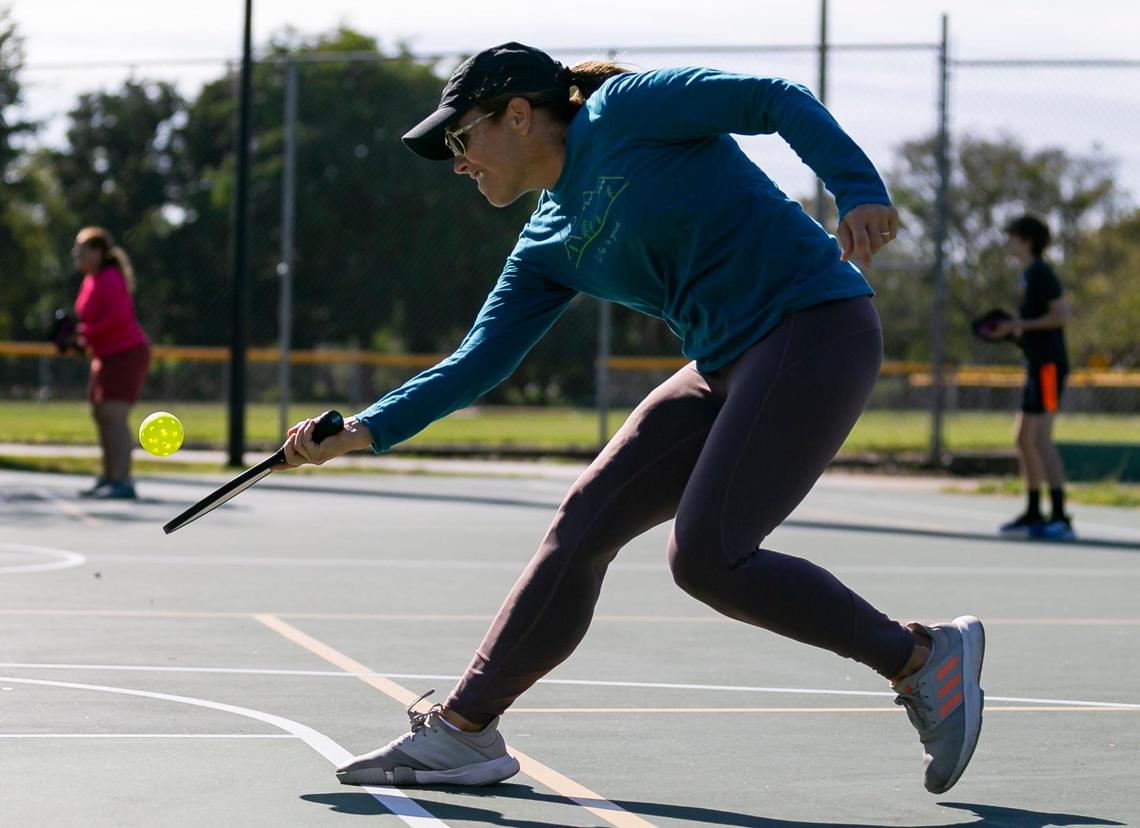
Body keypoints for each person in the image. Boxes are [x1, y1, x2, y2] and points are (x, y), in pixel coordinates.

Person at [282, 43, 985, 794]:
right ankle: (464, 733)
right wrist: (364, 428)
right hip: (723, 364)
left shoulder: (630, 110)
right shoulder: (546, 242)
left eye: (461, 139)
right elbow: (477, 361)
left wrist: (856, 188)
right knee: (583, 523)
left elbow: (777, 98)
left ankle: (919, 658)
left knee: (708, 556)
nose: (458, 162)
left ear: (518, 115)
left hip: (814, 327)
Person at [987, 215, 1074, 540]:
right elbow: (1037, 322)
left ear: (1026, 240)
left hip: (1050, 368)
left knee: (1040, 439)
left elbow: (1060, 315)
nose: (1007, 241)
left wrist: (1016, 326)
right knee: (1023, 439)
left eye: (1011, 236)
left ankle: (1061, 516)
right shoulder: (1027, 275)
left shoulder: (1041, 272)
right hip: (1036, 365)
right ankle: (1034, 511)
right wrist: (1010, 331)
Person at [70, 226, 151, 499]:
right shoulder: (91, 279)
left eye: (81, 248)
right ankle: (108, 476)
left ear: (97, 251)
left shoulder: (109, 278)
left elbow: (117, 318)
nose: (76, 253)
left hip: (126, 353)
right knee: (100, 413)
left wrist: (84, 334)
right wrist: (78, 338)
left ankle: (123, 481)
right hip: (105, 355)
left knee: (114, 415)